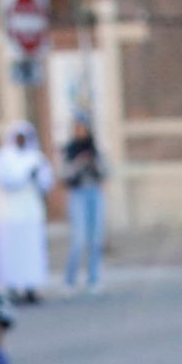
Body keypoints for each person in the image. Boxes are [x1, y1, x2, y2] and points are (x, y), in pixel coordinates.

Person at [0, 121, 53, 303]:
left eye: (24, 137)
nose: (21, 141)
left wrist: (37, 177)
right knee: (11, 252)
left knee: (31, 252)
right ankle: (12, 287)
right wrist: (26, 175)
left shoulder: (36, 157)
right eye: (18, 137)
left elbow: (47, 182)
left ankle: (31, 287)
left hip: (31, 213)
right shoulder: (4, 157)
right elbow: (6, 181)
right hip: (10, 215)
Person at [60, 117, 106, 292]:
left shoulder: (94, 149)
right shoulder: (70, 151)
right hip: (77, 193)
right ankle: (70, 280)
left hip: (94, 192)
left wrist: (93, 163)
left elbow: (105, 171)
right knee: (78, 240)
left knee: (96, 239)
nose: (81, 132)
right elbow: (64, 175)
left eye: (83, 128)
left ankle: (93, 279)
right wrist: (79, 164)